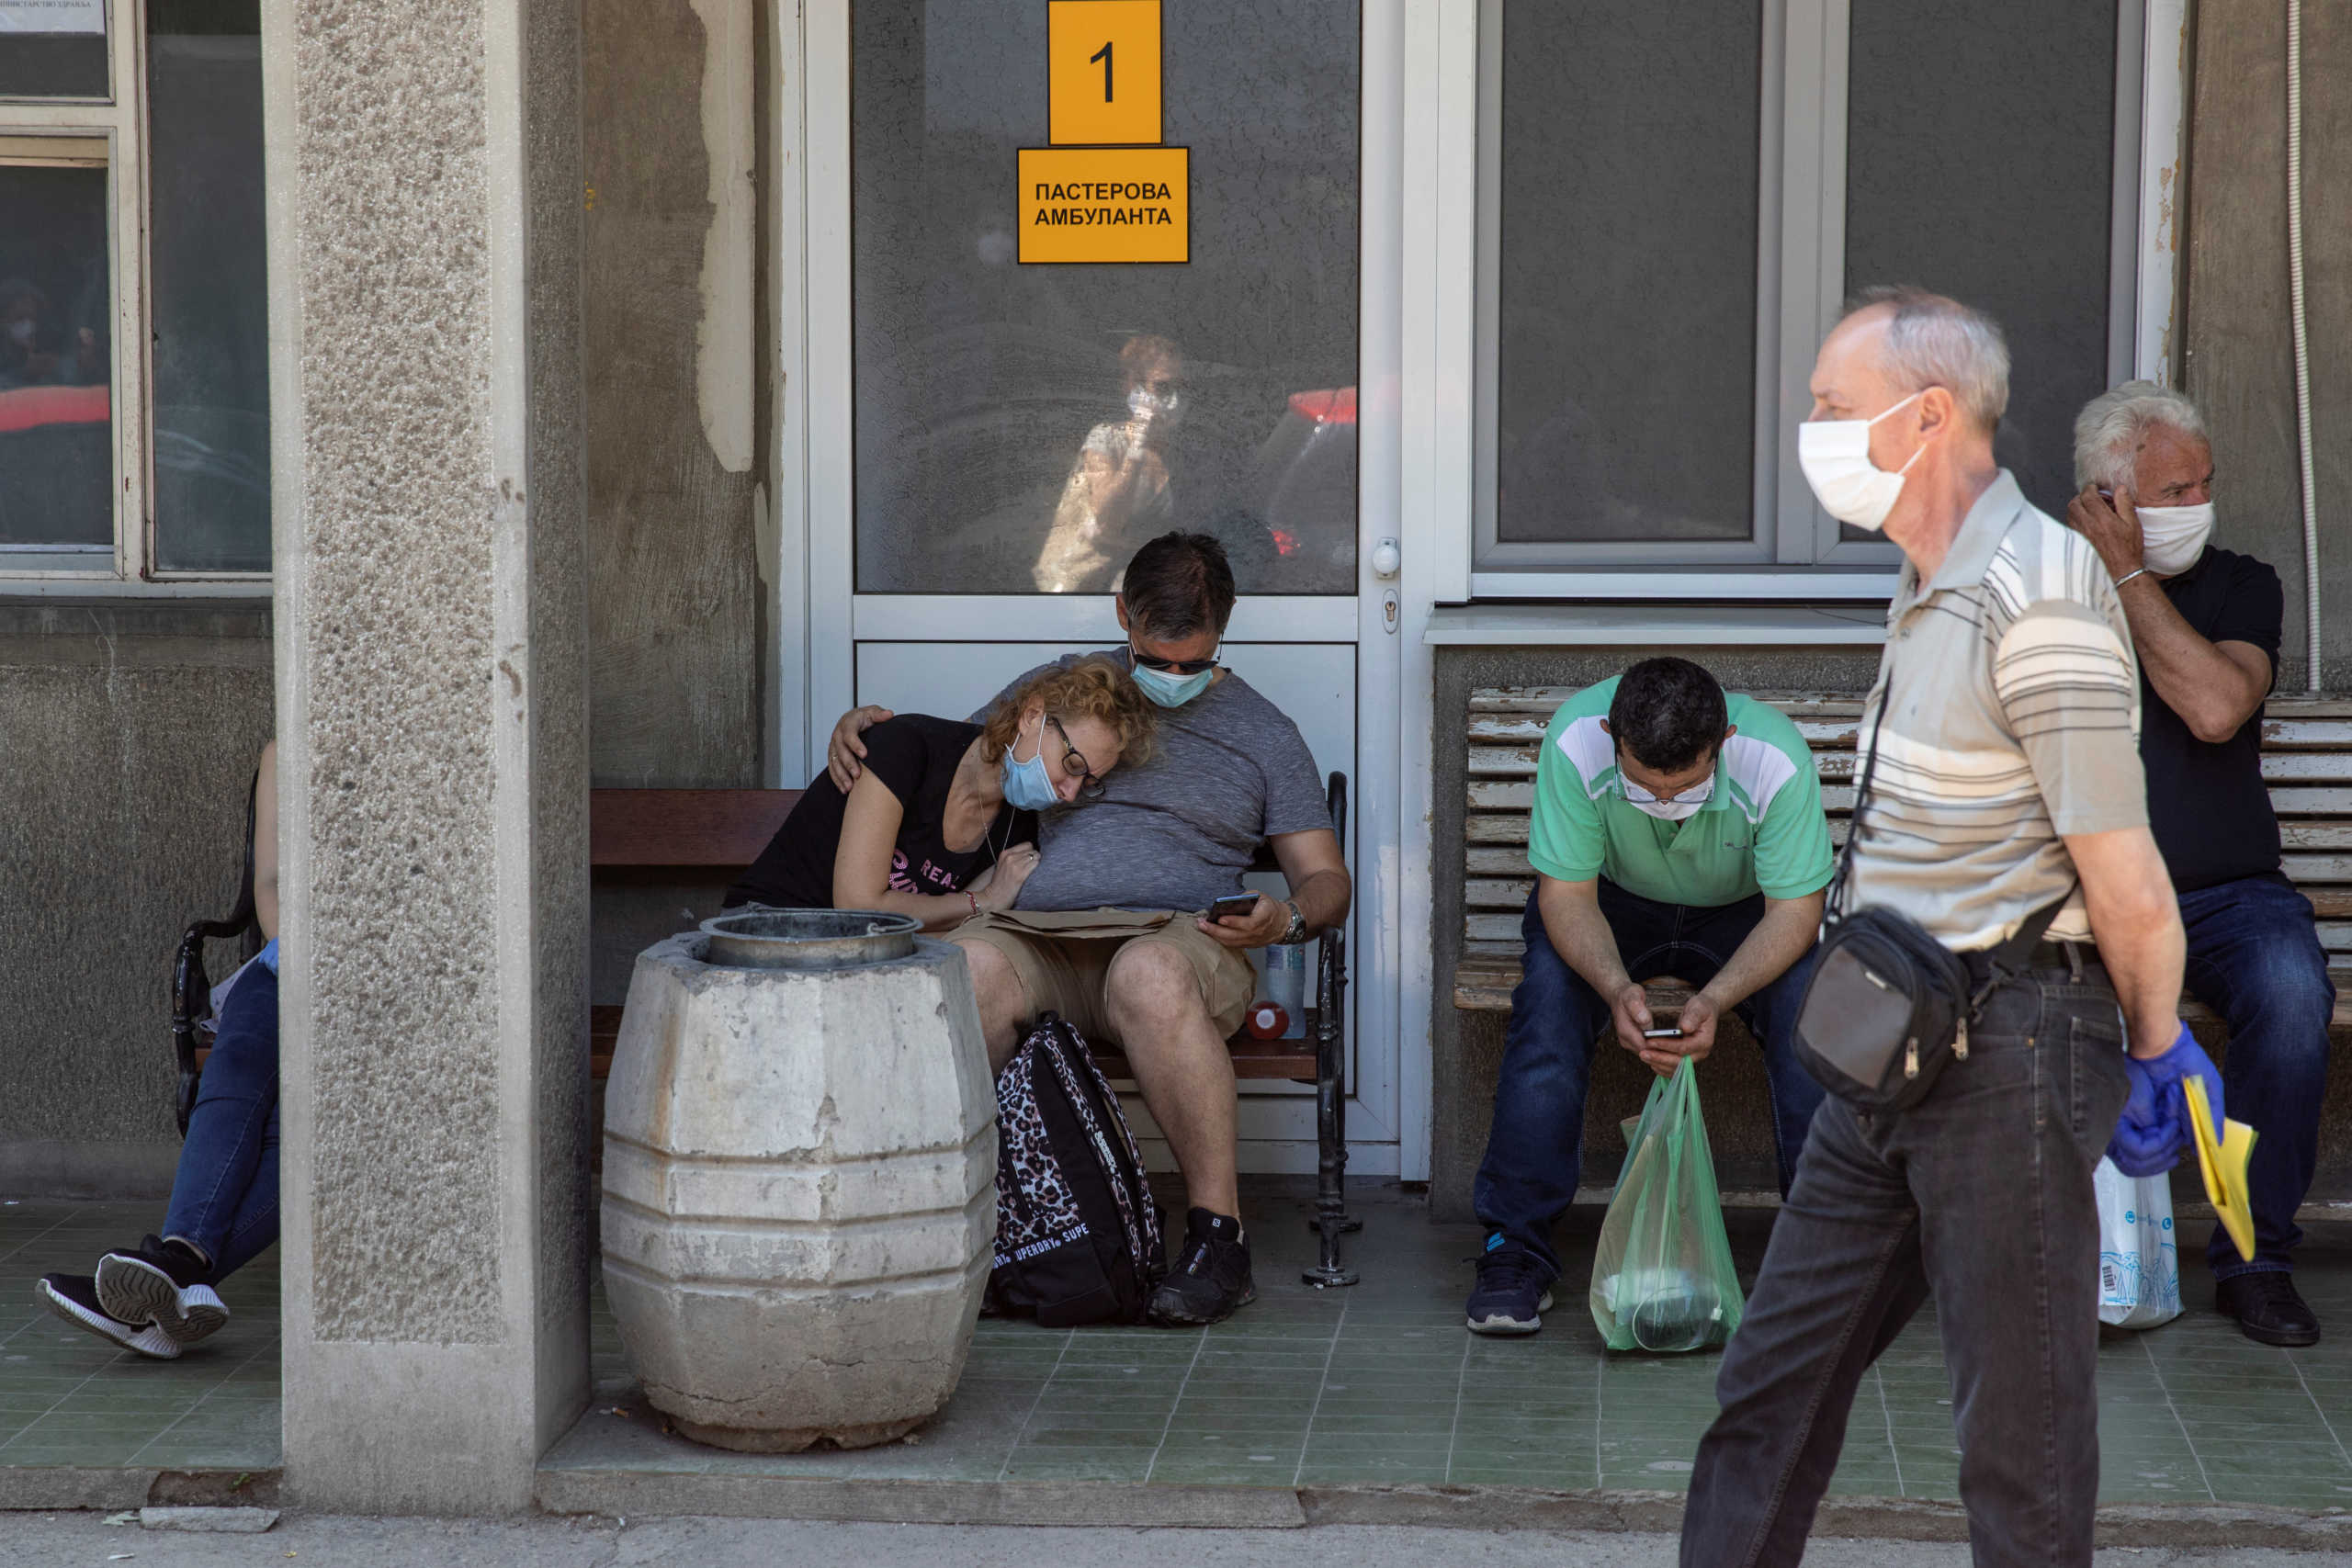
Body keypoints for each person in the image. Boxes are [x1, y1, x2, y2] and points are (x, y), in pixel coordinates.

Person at [1681, 288, 2211, 1565]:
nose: (1808, 429)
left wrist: (2152, 1043)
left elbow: (2122, 864)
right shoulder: (1932, 581)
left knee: (2017, 1441)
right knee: (1769, 1392)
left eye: (1829, 405)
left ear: (1925, 416)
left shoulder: (2034, 589)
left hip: (2018, 1046)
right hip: (1895, 1042)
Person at [831, 532, 1350, 1327]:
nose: (1175, 678)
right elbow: (957, 759)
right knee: (964, 971)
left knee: (1149, 974)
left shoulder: (1264, 732)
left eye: (1195, 660)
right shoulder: (1065, 689)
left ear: (1223, 632)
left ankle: (1220, 1241)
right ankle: (935, 1223)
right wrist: (865, 729)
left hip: (1176, 939)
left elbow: (1326, 879)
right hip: (1036, 935)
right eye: (1158, 656)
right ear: (1123, 615)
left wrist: (1287, 913)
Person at [2065, 380, 2334, 1347]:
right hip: (2076, 901)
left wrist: (2132, 582)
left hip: (2225, 898)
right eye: (2173, 490)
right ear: (2108, 499)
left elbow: (2216, 707)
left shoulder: (2240, 584)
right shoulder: (2041, 589)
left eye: (2202, 484)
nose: (2197, 505)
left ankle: (2249, 1252)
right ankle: (2034, 1254)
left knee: (2291, 999)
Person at [1465, 657, 1833, 1336]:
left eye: (1686, 788)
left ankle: (1827, 1253)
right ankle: (1514, 1247)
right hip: (1608, 902)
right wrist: (1613, 986)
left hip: (1743, 907)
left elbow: (1795, 914)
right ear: (1612, 735)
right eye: (1644, 786)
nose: (1665, 804)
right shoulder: (1576, 739)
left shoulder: (1773, 756)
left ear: (1722, 741)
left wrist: (1717, 998)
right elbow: (1566, 897)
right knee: (1548, 1000)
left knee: (1812, 1008)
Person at [38, 741, 281, 1359]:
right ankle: (177, 1275)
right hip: (291, 962)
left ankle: (171, 1273)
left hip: (381, 985)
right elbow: (272, 887)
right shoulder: (288, 751)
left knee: (298, 1129)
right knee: (238, 1063)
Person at [727, 658, 1155, 930]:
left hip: (865, 956)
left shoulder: (1019, 827)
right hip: (771, 927)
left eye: (1088, 783)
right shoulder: (906, 747)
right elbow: (858, 905)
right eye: (1073, 765)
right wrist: (980, 900)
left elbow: (938, 926)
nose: (1069, 792)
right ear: (1032, 716)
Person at [1033, 334, 1183, 594]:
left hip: (1132, 593)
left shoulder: (1178, 456)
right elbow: (1108, 518)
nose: (1175, 399)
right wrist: (1136, 447)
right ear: (1135, 390)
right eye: (1163, 387)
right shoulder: (1105, 439)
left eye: (1181, 387)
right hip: (1076, 590)